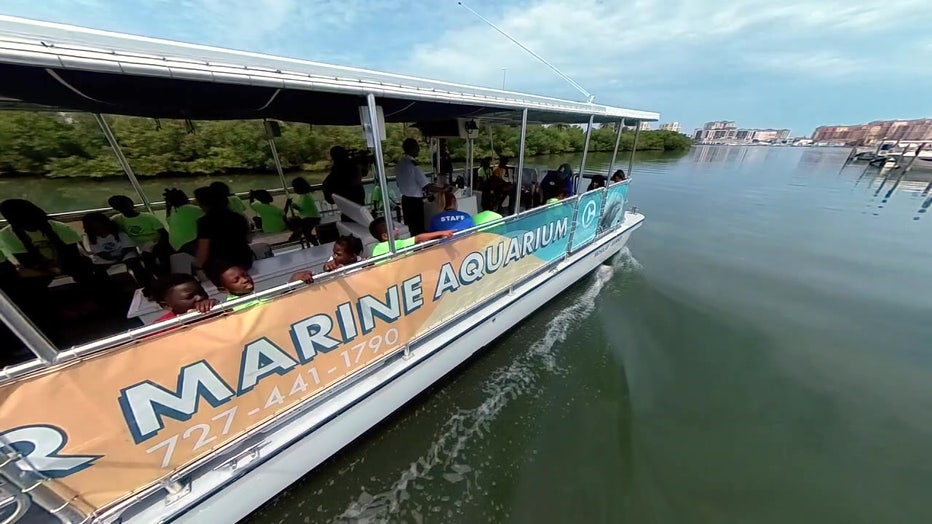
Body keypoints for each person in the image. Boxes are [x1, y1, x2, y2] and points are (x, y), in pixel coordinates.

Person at [81, 212, 156, 294]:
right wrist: (111, 258)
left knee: (136, 266)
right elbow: (99, 252)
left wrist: (120, 256)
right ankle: (112, 291)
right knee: (99, 273)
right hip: (106, 257)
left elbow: (128, 247)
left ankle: (147, 286)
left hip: (125, 253)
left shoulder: (118, 232)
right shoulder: (91, 237)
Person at [194, 186, 254, 271]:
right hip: (245, 261)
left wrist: (197, 267)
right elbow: (249, 239)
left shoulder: (205, 222)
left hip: (222, 266)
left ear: (203, 203)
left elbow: (203, 252)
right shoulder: (239, 217)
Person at [108, 195, 170, 273]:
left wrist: (158, 246)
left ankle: (163, 275)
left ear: (131, 204)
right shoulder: (116, 220)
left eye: (124, 204)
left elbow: (164, 234)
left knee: (153, 256)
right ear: (115, 208)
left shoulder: (148, 218)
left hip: (154, 242)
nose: (123, 207)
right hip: (134, 246)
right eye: (118, 206)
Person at [395, 138, 442, 236]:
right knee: (418, 228)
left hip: (405, 200)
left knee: (409, 228)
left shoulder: (400, 164)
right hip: (415, 203)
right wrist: (443, 190)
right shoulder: (414, 166)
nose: (418, 150)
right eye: (417, 147)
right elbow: (427, 186)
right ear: (412, 149)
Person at [368, 216, 453, 258]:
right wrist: (442, 232)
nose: (397, 229)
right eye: (393, 228)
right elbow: (419, 238)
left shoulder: (375, 248)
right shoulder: (395, 245)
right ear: (385, 236)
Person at [153, 273, 219, 323]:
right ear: (166, 305)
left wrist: (217, 309)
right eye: (189, 297)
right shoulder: (160, 328)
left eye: (201, 292)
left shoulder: (215, 308)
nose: (199, 297)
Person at [163, 188, 204, 255]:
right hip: (191, 245)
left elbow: (168, 220)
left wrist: (168, 206)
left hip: (176, 247)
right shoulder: (195, 210)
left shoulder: (173, 211)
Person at [286, 177, 321, 245]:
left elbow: (301, 208)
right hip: (306, 217)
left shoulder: (306, 197)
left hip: (313, 217)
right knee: (300, 225)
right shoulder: (303, 196)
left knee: (305, 231)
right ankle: (297, 233)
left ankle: (297, 234)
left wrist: (293, 205)